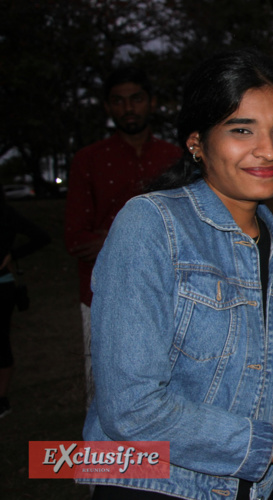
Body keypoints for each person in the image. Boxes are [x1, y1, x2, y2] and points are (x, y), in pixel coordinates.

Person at [79, 49, 273, 499]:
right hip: (153, 486)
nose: (268, 149)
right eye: (242, 130)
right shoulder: (153, 224)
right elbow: (130, 408)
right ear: (197, 142)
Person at [65, 66, 181, 408]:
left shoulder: (173, 158)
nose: (128, 109)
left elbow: (187, 231)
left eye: (136, 99)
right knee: (107, 390)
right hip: (102, 294)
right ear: (107, 107)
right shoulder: (89, 160)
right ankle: (106, 462)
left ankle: (163, 462)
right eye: (118, 101)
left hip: (169, 293)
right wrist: (150, 240)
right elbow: (77, 240)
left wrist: (109, 239)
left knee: (168, 388)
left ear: (152, 103)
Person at [0, 187, 51, 418]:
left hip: (2, 285)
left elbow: (41, 236)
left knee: (1, 342)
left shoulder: (5, 213)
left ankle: (2, 399)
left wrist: (12, 254)